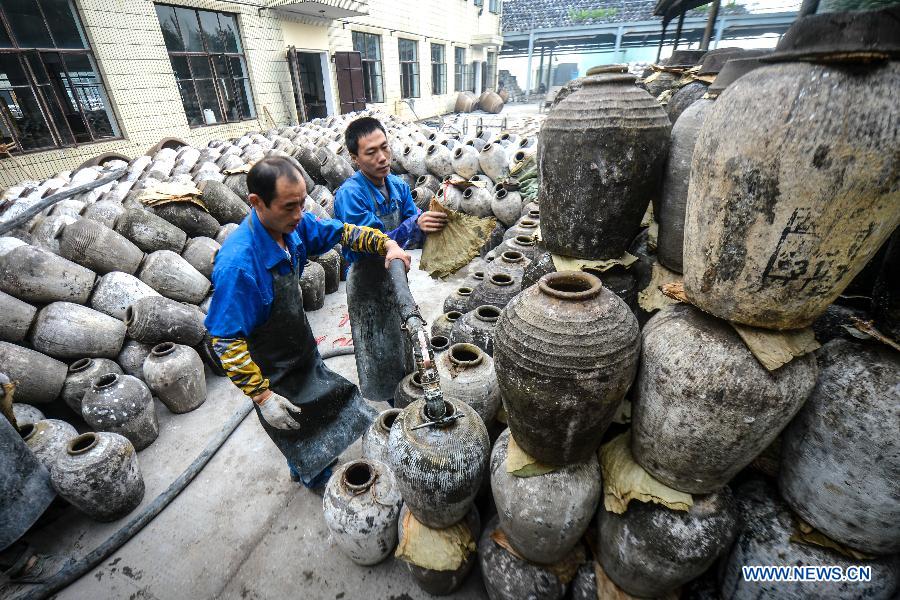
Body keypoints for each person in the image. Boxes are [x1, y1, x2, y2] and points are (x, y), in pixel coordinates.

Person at [205, 156, 411, 489]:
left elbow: (343, 232)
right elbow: (225, 341)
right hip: (269, 368)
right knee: (294, 427)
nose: (299, 214)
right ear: (256, 203)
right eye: (289, 207)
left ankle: (314, 461)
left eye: (302, 204)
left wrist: (385, 243)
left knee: (335, 400)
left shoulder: (294, 225)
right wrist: (262, 397)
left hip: (298, 343)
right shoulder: (238, 265)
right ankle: (312, 474)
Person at [333, 117, 447, 403]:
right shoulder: (350, 195)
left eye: (385, 147)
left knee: (400, 341)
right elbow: (369, 243)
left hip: (396, 278)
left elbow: (412, 229)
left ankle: (403, 393)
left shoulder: (396, 185)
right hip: (367, 282)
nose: (382, 157)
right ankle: (391, 404)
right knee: (375, 347)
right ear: (355, 158)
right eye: (371, 152)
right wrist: (414, 226)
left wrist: (434, 225)